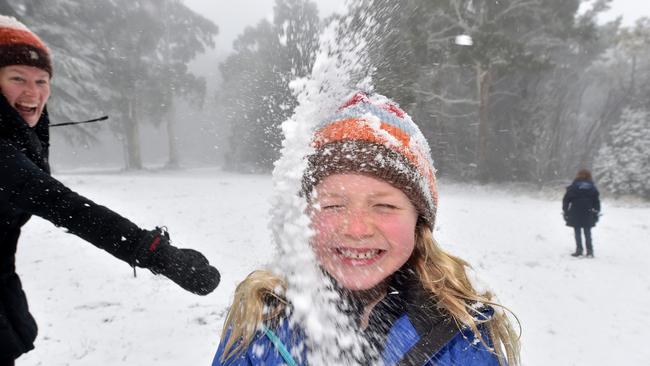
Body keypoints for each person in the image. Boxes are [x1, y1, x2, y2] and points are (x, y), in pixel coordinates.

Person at [211, 92, 520, 365]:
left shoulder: (462, 332)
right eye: (333, 205)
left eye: (384, 206)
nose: (356, 229)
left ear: (419, 222)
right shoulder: (262, 320)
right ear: (304, 217)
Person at [0, 15, 220, 364]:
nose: (33, 92)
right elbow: (61, 204)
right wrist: (157, 253)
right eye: (17, 78)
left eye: (41, 80)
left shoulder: (20, 134)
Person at [563, 169, 601, 258]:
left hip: (575, 210)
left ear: (578, 176)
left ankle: (579, 250)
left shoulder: (573, 186)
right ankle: (590, 251)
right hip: (588, 211)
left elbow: (566, 200)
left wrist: (566, 211)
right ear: (589, 176)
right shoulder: (592, 187)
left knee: (577, 231)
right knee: (587, 231)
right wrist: (596, 211)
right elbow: (596, 201)